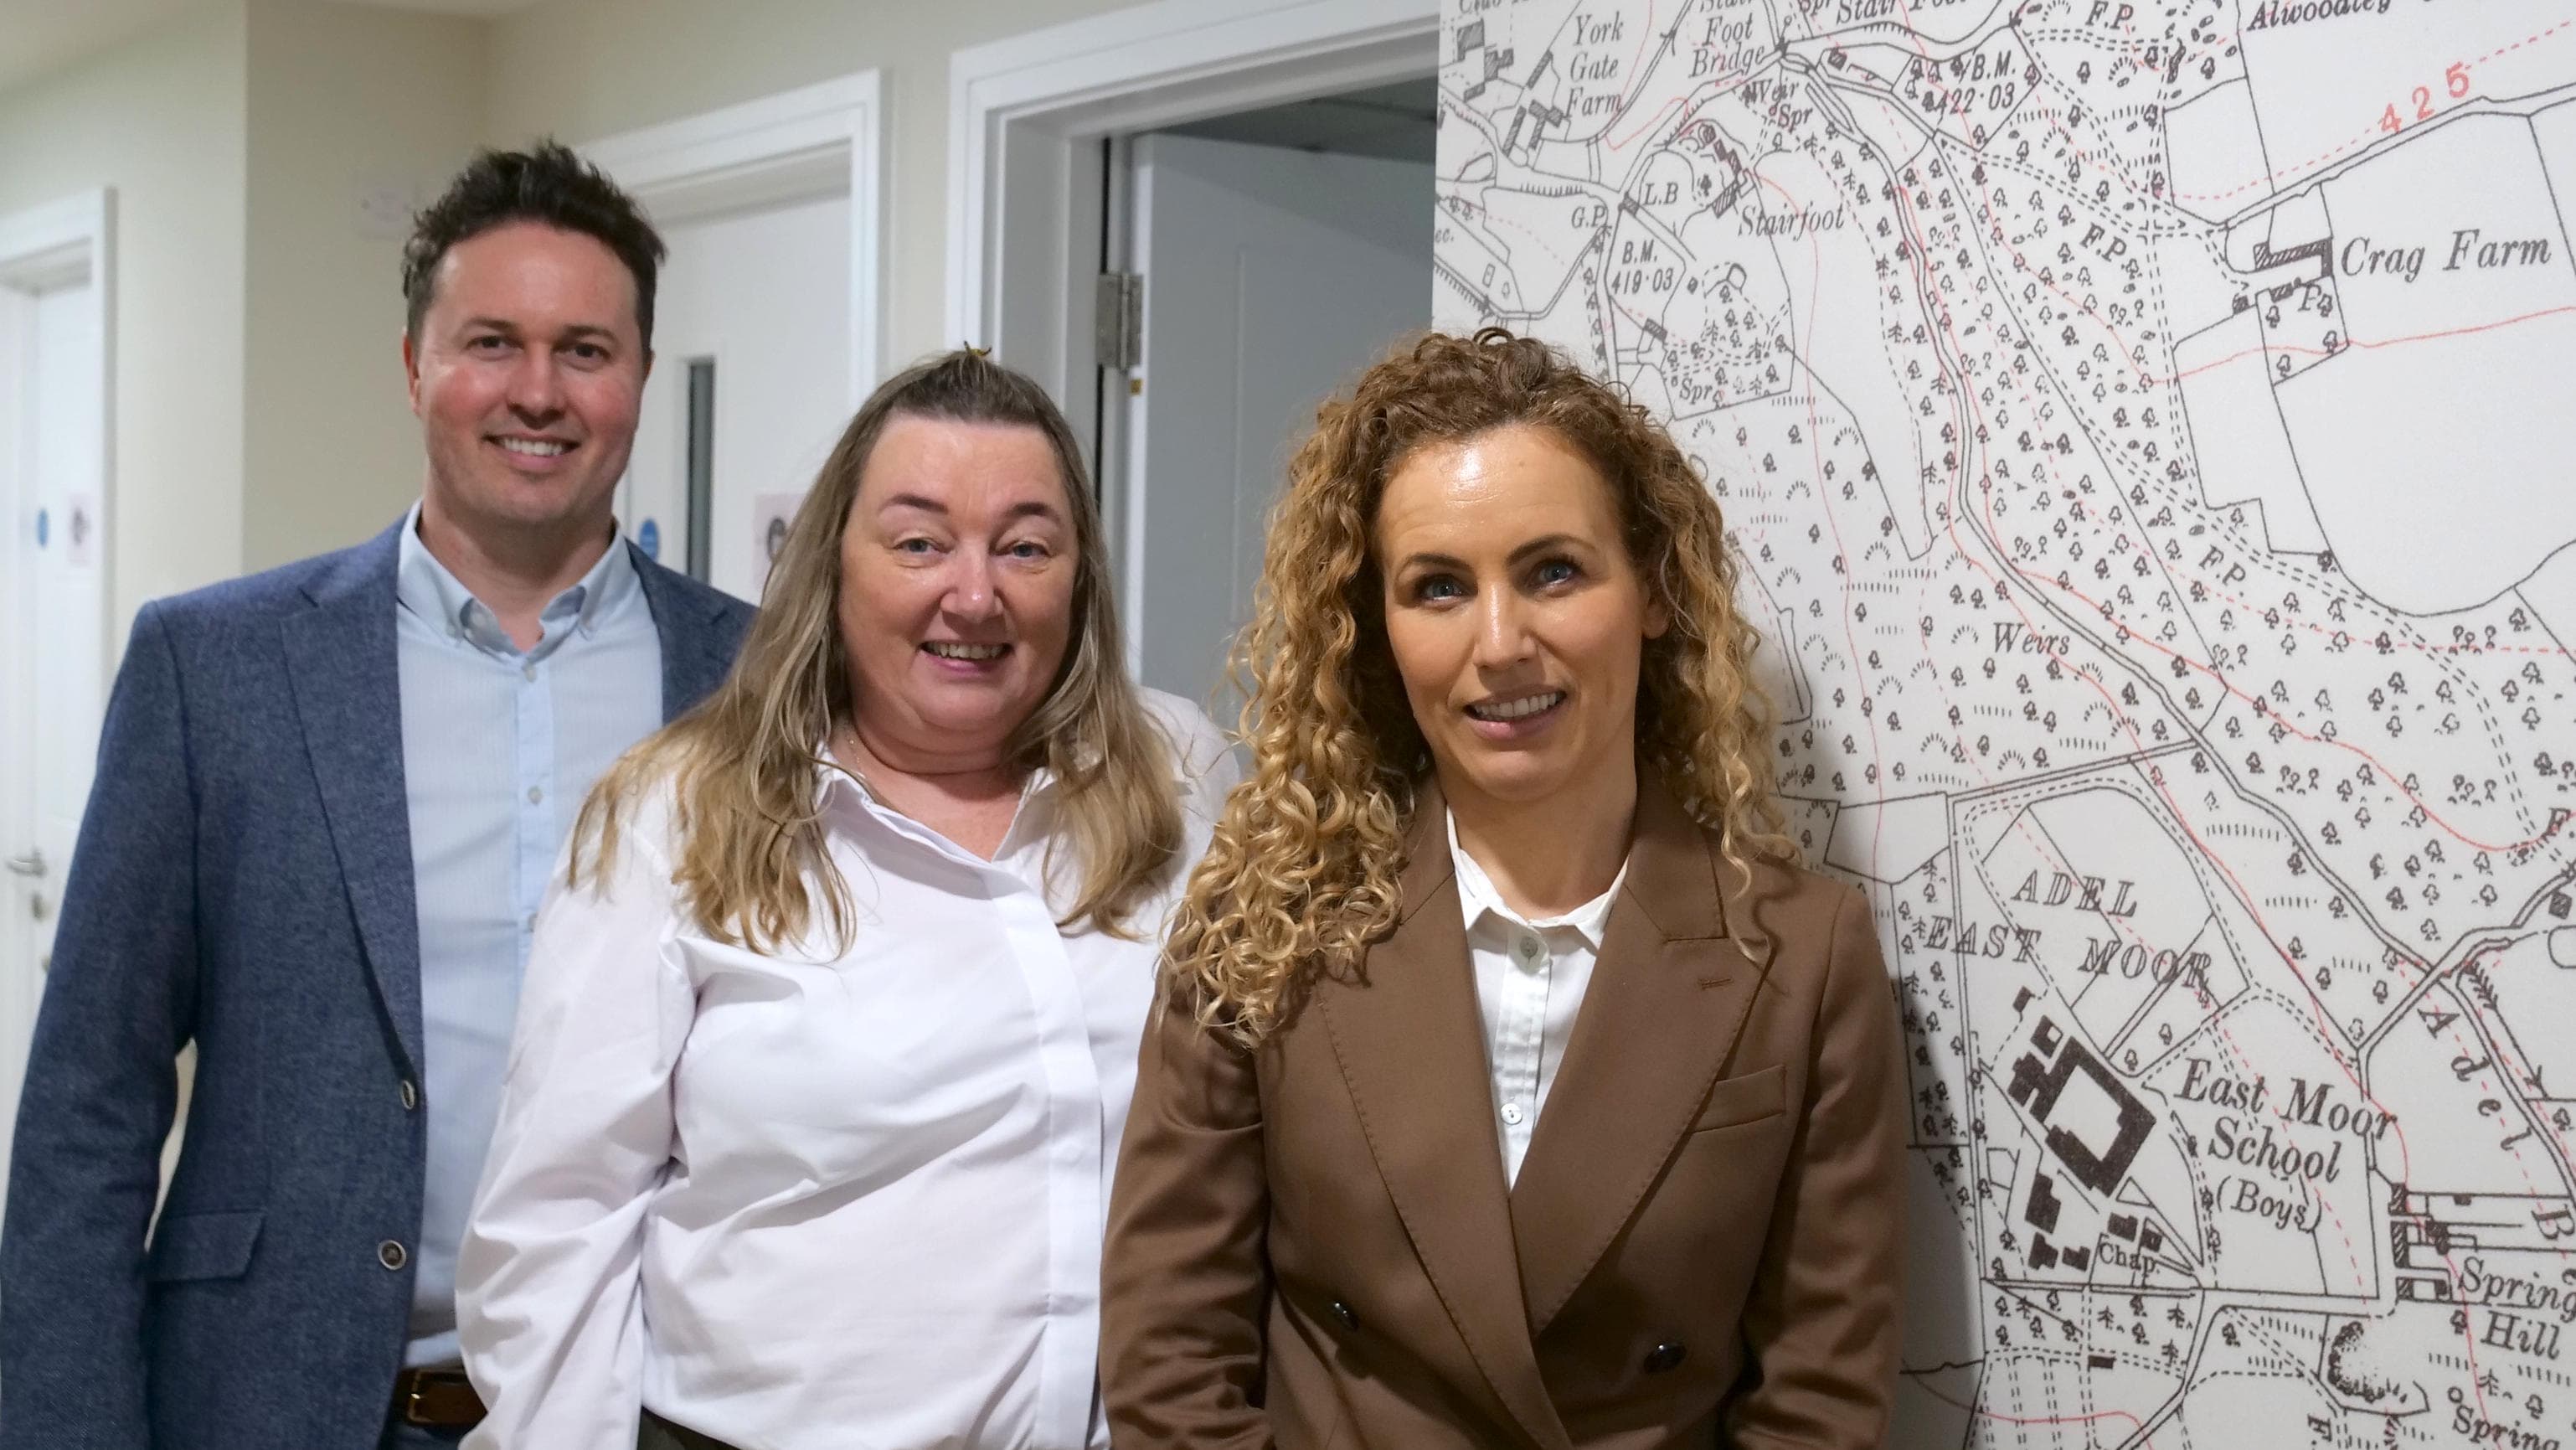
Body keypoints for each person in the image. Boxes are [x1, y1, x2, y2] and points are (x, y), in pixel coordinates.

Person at [0, 142, 754, 1450]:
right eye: (490, 343)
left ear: (638, 375)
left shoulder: (758, 680)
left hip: (648, 1412)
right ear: (414, 368)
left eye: (586, 349)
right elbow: (89, 1104)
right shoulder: (217, 669)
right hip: (277, 1406)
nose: (538, 391)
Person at [1100, 328, 1909, 1449]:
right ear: (1379, 633)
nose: (1501, 642)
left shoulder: (1805, 955)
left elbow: (1819, 1405)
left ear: (1657, 592)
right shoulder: (1261, 921)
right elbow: (1170, 1367)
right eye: (1437, 587)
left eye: (1553, 571)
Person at [456, 348, 1239, 1450]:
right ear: (835, 565)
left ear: (1079, 577)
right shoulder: (673, 815)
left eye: (1026, 546)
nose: (975, 593)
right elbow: (558, 1221)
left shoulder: (1182, 774)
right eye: (919, 542)